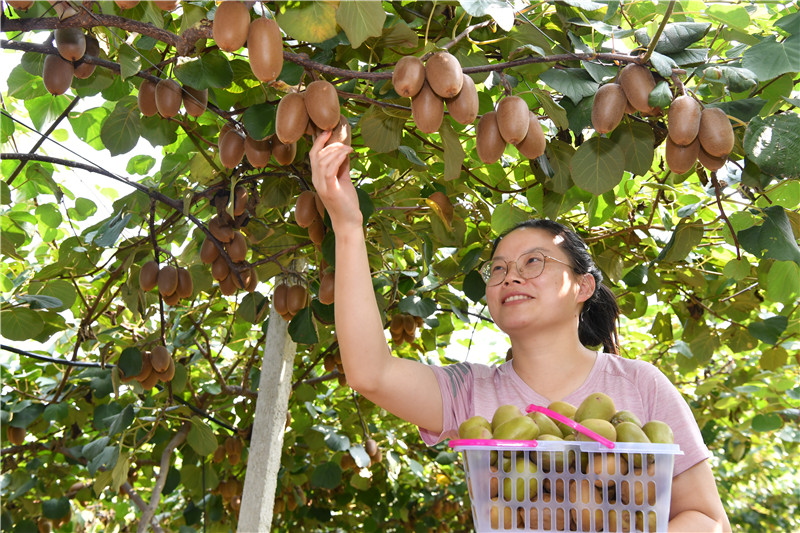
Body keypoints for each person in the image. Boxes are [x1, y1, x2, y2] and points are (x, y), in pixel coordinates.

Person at [309, 131, 731, 532]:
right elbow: (370, 374)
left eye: (533, 262)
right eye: (498, 269)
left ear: (583, 287)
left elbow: (708, 519)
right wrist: (348, 225)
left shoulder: (640, 385)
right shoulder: (471, 393)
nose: (510, 277)